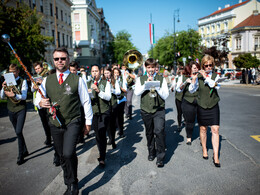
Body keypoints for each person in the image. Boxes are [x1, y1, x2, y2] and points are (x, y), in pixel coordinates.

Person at [35, 47, 93, 194]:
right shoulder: (47, 80)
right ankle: (69, 181)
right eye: (56, 59)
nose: (60, 61)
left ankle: (73, 184)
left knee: (68, 153)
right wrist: (41, 103)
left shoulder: (78, 80)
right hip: (54, 122)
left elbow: (86, 101)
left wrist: (88, 123)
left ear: (68, 59)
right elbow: (37, 98)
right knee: (61, 155)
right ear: (53, 61)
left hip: (73, 121)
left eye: (63, 58)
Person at [134, 58, 169, 167]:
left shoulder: (161, 79)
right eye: (148, 67)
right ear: (146, 68)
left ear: (155, 68)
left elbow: (165, 95)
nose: (151, 69)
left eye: (152, 67)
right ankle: (151, 151)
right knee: (149, 132)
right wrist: (146, 84)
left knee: (159, 131)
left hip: (159, 109)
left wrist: (156, 86)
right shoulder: (141, 79)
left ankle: (160, 157)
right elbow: (137, 92)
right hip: (146, 110)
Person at [189, 55, 221, 168]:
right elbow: (191, 90)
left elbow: (214, 85)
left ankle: (216, 156)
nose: (208, 67)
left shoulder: (216, 76)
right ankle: (204, 149)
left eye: (210, 65)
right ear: (203, 65)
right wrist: (193, 81)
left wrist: (205, 76)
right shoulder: (198, 77)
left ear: (213, 65)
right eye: (206, 65)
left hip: (213, 106)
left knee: (215, 129)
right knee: (203, 129)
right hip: (202, 105)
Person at [1, 64, 29, 165]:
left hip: (20, 109)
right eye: (10, 71)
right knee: (18, 132)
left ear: (17, 72)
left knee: (18, 131)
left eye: (13, 71)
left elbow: (24, 96)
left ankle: (20, 155)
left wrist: (15, 95)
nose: (11, 73)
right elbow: (2, 97)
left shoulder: (23, 81)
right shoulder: (7, 82)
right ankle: (25, 150)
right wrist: (3, 88)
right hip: (10, 109)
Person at [87, 65, 111, 167]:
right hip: (94, 113)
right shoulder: (88, 83)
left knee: (101, 133)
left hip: (104, 112)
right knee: (97, 135)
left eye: (96, 71)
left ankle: (102, 157)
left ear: (100, 72)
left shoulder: (105, 83)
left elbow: (108, 97)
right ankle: (101, 151)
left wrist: (98, 91)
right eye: (93, 71)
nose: (94, 73)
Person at [176, 61, 200, 145]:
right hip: (187, 102)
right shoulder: (183, 77)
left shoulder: (201, 77)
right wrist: (186, 82)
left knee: (202, 120)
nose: (196, 69)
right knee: (189, 121)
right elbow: (178, 89)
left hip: (199, 101)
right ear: (190, 69)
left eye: (197, 67)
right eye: (194, 68)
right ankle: (189, 137)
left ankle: (202, 136)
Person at [31, 62, 52, 146]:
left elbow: (51, 87)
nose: (37, 70)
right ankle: (48, 138)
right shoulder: (34, 77)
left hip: (47, 101)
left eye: (38, 68)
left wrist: (43, 82)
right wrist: (34, 87)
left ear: (42, 68)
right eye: (36, 69)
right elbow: (32, 90)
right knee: (44, 122)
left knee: (50, 121)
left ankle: (53, 136)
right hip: (39, 103)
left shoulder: (47, 76)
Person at [103, 67, 120, 148]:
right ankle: (110, 137)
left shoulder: (114, 81)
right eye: (105, 73)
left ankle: (112, 139)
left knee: (112, 123)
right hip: (105, 105)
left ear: (111, 73)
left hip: (113, 104)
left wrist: (112, 90)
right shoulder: (102, 82)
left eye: (108, 73)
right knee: (107, 123)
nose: (107, 75)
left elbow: (118, 92)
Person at [113, 68, 127, 137]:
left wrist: (119, 86)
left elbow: (125, 90)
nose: (116, 74)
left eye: (117, 73)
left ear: (119, 74)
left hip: (121, 99)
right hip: (114, 100)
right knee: (115, 116)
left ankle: (121, 131)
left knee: (120, 116)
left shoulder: (122, 79)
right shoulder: (111, 80)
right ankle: (116, 128)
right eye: (114, 73)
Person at [171, 65, 184, 132]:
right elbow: (172, 89)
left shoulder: (186, 77)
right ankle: (179, 124)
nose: (181, 71)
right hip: (178, 97)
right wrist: (172, 88)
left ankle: (185, 121)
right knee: (179, 112)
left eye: (182, 69)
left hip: (185, 97)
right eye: (180, 69)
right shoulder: (176, 78)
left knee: (185, 111)